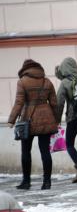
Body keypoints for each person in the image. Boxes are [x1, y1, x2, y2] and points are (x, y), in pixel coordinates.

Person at [8, 59, 58, 190]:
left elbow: (19, 102)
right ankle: (47, 182)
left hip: (27, 120)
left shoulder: (22, 82)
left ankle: (26, 182)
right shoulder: (47, 81)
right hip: (46, 119)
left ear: (25, 69)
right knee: (45, 151)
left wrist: (11, 120)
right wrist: (56, 120)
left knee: (25, 151)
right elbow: (54, 103)